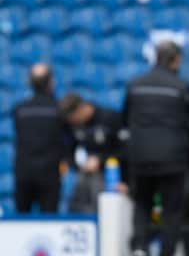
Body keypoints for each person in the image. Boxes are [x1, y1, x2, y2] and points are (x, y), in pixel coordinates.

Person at [123, 40, 189, 256]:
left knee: (141, 205)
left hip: (140, 158)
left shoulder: (135, 85)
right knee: (172, 210)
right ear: (176, 60)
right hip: (173, 159)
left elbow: (126, 120)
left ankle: (140, 249)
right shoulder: (182, 87)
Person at [12, 63, 70, 213]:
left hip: (23, 172)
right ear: (51, 82)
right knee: (49, 220)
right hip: (50, 174)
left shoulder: (20, 109)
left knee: (21, 221)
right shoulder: (58, 109)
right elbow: (67, 139)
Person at [59, 92, 127, 213]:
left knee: (100, 200)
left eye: (73, 118)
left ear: (81, 109)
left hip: (114, 173)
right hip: (87, 174)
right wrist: (77, 165)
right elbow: (68, 150)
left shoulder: (110, 118)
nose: (73, 123)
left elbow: (126, 150)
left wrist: (100, 160)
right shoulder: (71, 125)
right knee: (76, 200)